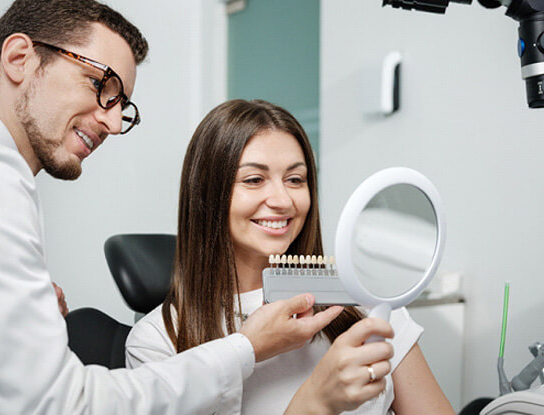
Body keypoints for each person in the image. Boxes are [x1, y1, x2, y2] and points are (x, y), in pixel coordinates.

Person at [0, 2, 350, 414]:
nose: (111, 122)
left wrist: (20, 317)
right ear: (19, 58)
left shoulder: (348, 300)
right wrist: (247, 349)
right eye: (100, 85)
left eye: (121, 104)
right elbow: (52, 406)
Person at [125, 99, 455, 415]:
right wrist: (315, 403)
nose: (283, 200)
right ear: (208, 194)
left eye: (295, 179)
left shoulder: (367, 303)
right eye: (254, 180)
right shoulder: (156, 343)